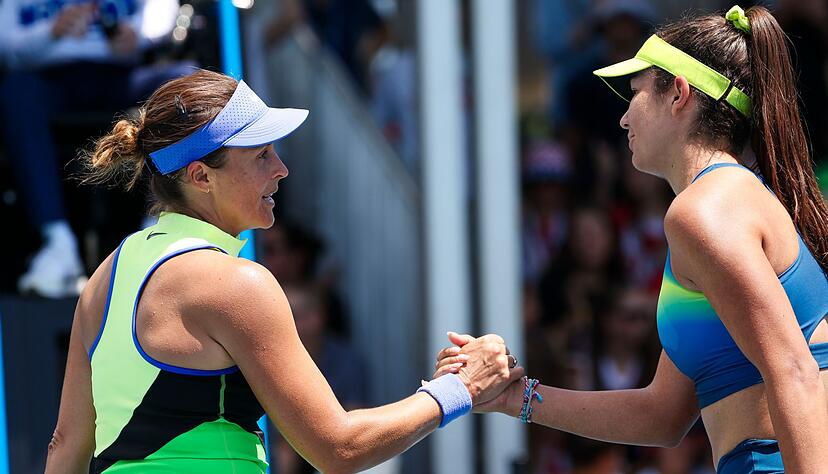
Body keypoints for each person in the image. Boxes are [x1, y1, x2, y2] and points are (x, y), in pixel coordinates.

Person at [44, 69, 523, 473]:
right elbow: (338, 449)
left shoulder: (103, 279)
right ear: (201, 177)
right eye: (260, 155)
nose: (282, 169)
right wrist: (459, 389)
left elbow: (65, 444)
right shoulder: (236, 284)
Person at [438, 5, 828, 472]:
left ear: (678, 95)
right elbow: (662, 416)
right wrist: (514, 398)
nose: (623, 119)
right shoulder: (723, 200)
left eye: (635, 94)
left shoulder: (702, 211)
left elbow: (795, 374)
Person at [0, 0, 182, 297]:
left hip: (123, 75)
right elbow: (5, 41)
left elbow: (162, 11)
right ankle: (57, 244)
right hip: (48, 79)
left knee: (182, 83)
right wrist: (51, 32)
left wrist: (139, 35)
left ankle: (157, 235)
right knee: (15, 93)